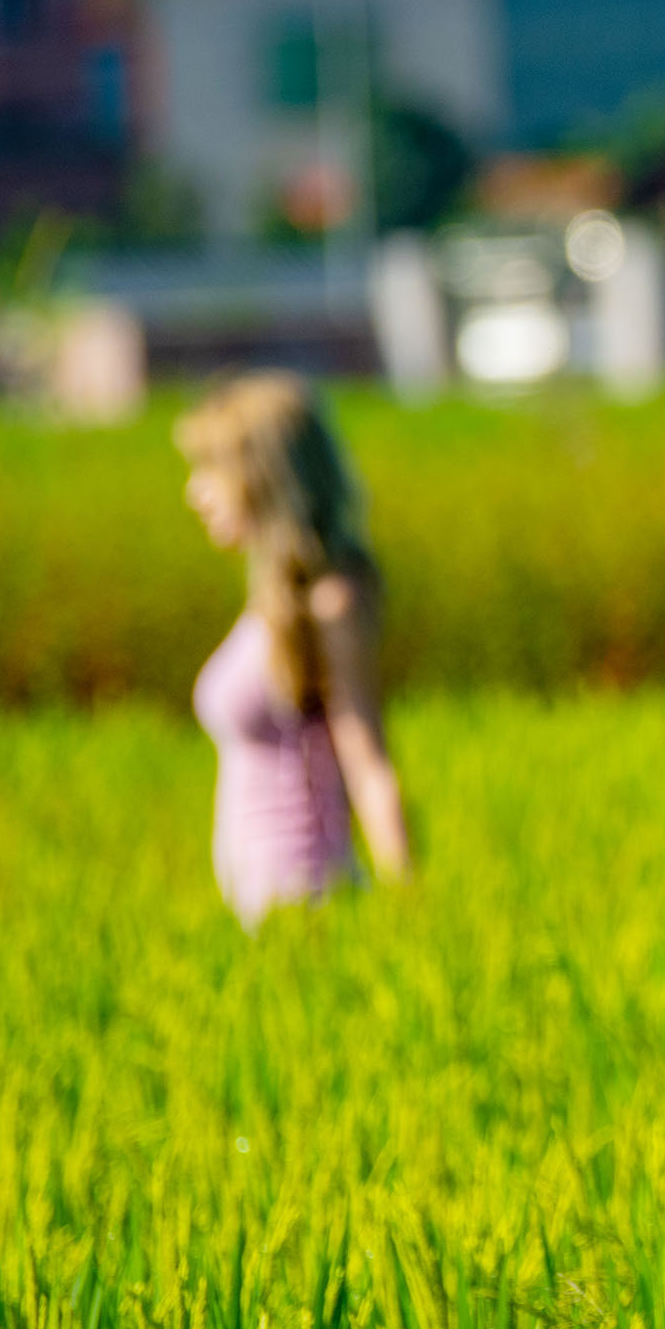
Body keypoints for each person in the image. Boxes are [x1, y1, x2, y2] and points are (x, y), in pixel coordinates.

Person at [176, 372, 413, 926]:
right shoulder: (274, 601)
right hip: (263, 909)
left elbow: (369, 766)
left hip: (307, 904)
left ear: (262, 475)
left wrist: (409, 913)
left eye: (210, 471)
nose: (195, 493)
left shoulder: (331, 602)